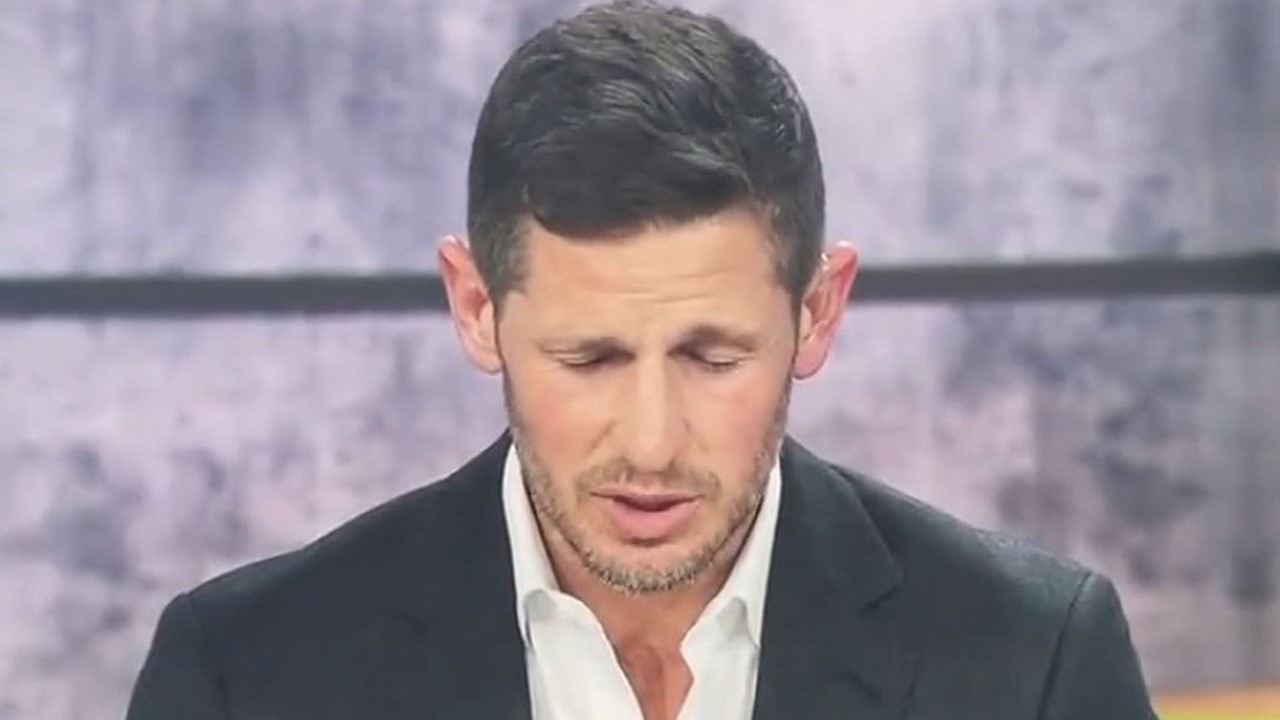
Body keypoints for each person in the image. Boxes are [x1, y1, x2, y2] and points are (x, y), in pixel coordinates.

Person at [125, 1, 1158, 718]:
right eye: (589, 359)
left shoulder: (1033, 662)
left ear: (817, 312)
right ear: (477, 308)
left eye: (713, 357)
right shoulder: (247, 676)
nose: (653, 444)